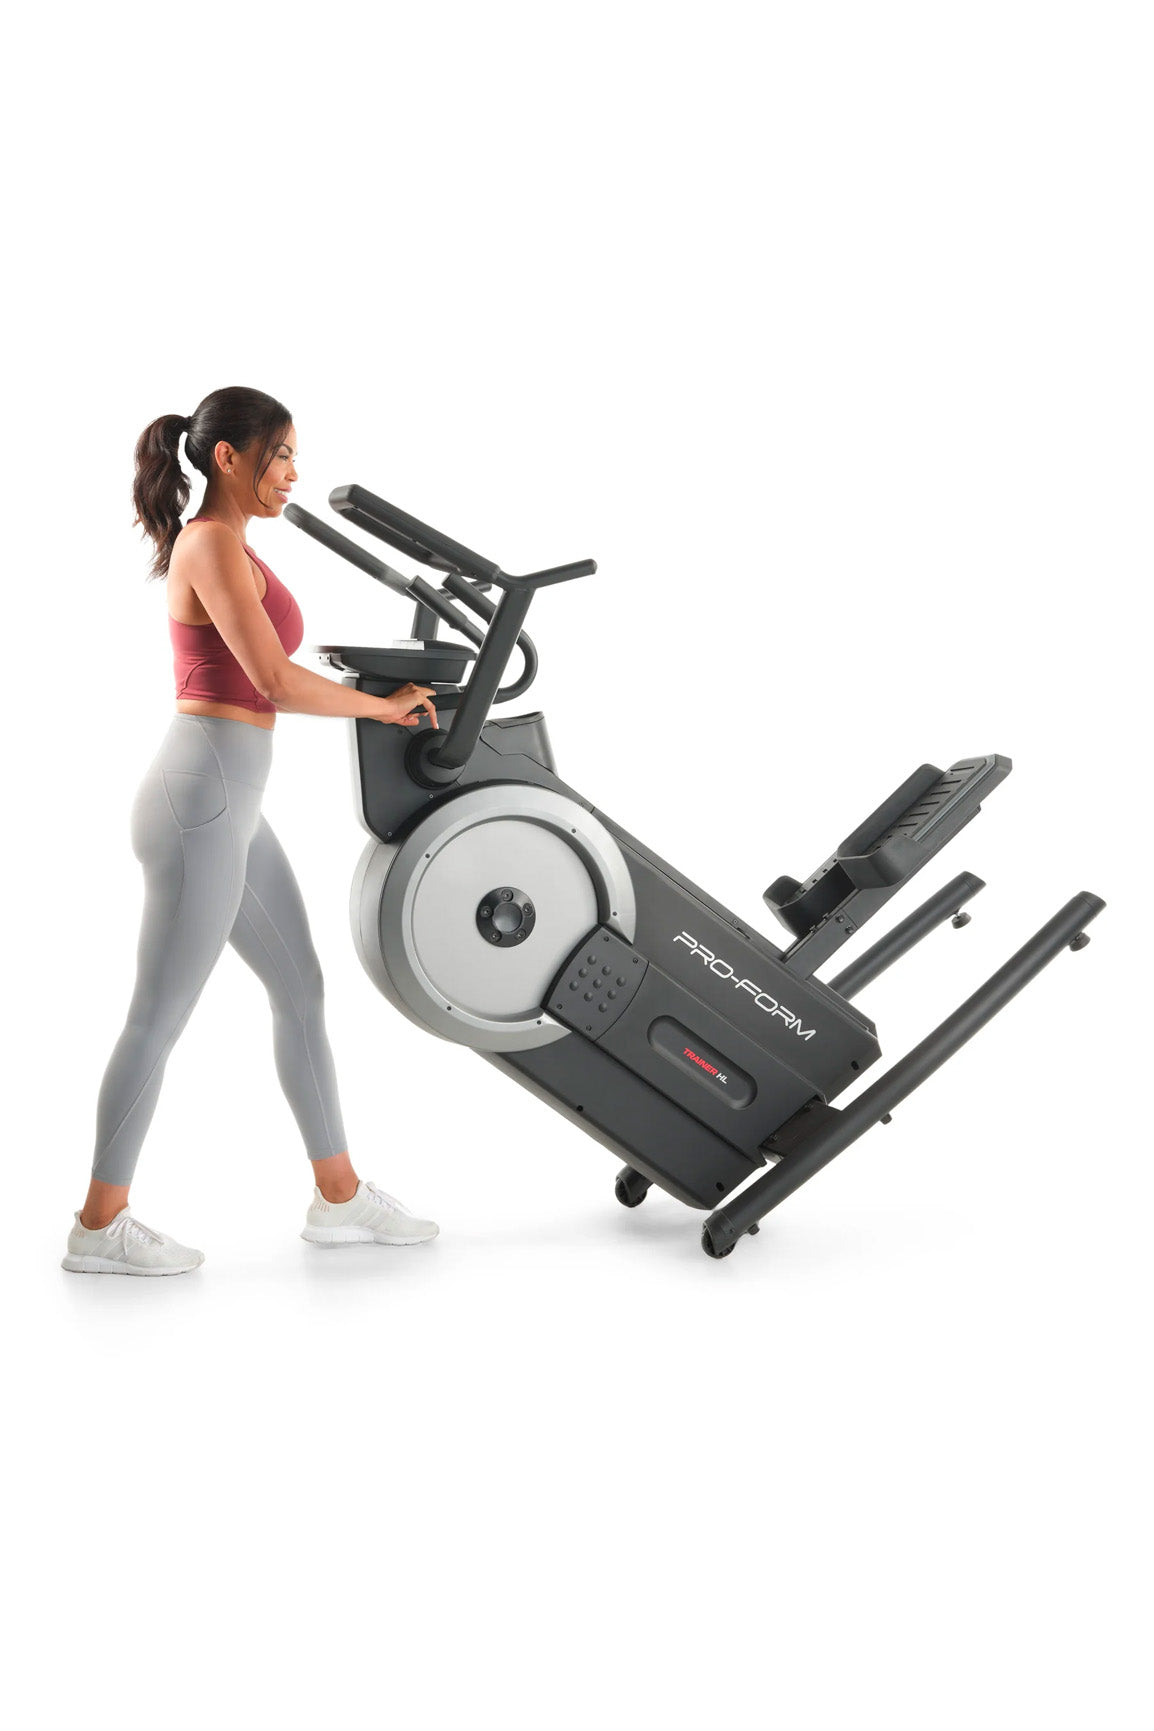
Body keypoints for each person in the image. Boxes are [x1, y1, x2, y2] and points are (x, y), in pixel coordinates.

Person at [63, 385, 440, 1276]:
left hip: (229, 801)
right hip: (200, 804)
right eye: (282, 455)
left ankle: (339, 1198)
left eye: (296, 456)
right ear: (228, 457)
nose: (293, 473)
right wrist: (382, 709)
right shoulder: (208, 544)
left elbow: (273, 673)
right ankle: (98, 1225)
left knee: (301, 987)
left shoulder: (233, 545)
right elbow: (271, 679)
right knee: (158, 1016)